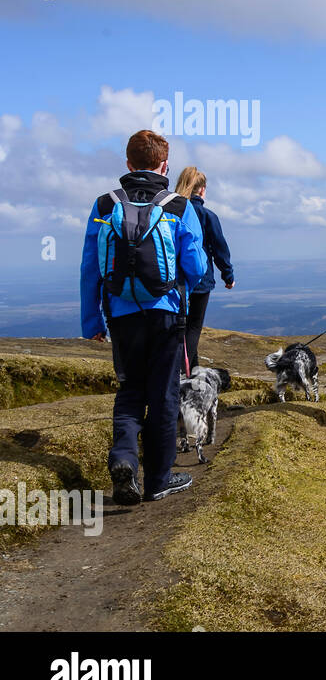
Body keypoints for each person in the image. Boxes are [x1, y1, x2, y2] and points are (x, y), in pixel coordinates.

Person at [80, 130, 207, 505]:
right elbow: (196, 267)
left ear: (128, 164)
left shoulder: (104, 205)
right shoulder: (179, 207)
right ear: (164, 165)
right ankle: (158, 479)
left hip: (120, 314)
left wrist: (92, 322)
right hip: (166, 314)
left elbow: (90, 268)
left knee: (131, 390)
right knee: (164, 395)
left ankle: (123, 460)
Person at [173, 166, 234, 368]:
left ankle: (193, 368)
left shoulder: (171, 212)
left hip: (172, 279)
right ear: (202, 190)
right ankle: (184, 374)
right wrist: (228, 275)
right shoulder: (208, 216)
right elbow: (219, 248)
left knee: (179, 327)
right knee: (193, 327)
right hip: (200, 279)